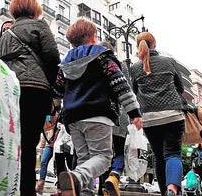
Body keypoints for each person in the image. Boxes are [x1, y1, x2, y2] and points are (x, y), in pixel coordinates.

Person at [54, 18, 143, 196]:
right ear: (94, 37)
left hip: (72, 118)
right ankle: (77, 177)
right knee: (103, 158)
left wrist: (54, 112)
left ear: (71, 41)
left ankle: (84, 191)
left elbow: (57, 90)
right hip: (97, 114)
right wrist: (134, 112)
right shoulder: (103, 56)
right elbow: (120, 84)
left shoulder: (65, 63)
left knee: (84, 159)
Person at [0, 0, 62, 196]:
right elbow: (53, 58)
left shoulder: (4, 36)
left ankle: (7, 187)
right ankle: (26, 191)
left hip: (8, 91)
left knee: (11, 141)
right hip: (35, 89)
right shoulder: (39, 26)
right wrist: (54, 97)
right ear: (35, 9)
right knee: (29, 143)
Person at [129, 31, 187, 196]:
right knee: (172, 153)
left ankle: (164, 192)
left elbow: (134, 92)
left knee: (159, 157)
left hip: (149, 118)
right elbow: (180, 88)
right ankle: (172, 188)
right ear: (154, 44)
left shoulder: (134, 68)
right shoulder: (168, 61)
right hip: (173, 115)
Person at [97, 41, 129, 196]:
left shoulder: (94, 65)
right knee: (120, 152)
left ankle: (102, 189)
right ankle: (115, 175)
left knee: (104, 155)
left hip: (103, 116)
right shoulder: (121, 67)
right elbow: (128, 92)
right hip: (120, 117)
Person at [37, 104, 61, 194]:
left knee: (59, 165)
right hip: (49, 145)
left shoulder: (62, 118)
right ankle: (40, 184)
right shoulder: (48, 119)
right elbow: (45, 132)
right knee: (43, 161)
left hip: (60, 145)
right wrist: (42, 147)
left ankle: (61, 186)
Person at [52, 122, 77, 196]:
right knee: (60, 168)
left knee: (72, 166)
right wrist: (58, 124)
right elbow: (54, 121)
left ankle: (74, 188)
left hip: (71, 144)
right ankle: (59, 189)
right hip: (59, 144)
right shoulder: (61, 112)